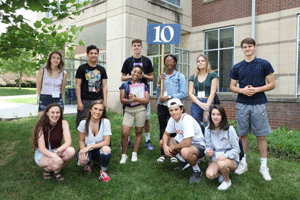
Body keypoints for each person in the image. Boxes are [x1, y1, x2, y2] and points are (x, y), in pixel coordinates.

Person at [229, 38, 275, 181]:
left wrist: (256, 89)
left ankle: (264, 167)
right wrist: (242, 91)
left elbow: (272, 84)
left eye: (250, 46)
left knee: (261, 136)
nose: (247, 49)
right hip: (242, 104)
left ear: (255, 47)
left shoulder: (264, 64)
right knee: (242, 135)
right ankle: (243, 163)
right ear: (242, 49)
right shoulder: (237, 67)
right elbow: (232, 86)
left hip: (258, 104)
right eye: (244, 47)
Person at [159, 98, 206, 184]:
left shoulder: (186, 120)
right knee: (162, 142)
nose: (174, 112)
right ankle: (184, 161)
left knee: (185, 152)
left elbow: (187, 142)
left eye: (176, 109)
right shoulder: (172, 120)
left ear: (181, 109)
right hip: (185, 143)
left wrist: (174, 147)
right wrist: (165, 146)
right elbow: (166, 134)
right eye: (171, 110)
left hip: (198, 145)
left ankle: (197, 170)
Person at [121, 39, 154, 150]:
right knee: (128, 117)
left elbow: (152, 77)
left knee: (146, 118)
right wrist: (133, 75)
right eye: (134, 46)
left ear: (141, 47)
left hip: (142, 92)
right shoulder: (128, 61)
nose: (136, 47)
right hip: (129, 92)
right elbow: (122, 77)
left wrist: (143, 76)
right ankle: (128, 140)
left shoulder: (147, 60)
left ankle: (148, 140)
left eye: (138, 46)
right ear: (132, 47)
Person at [33, 103, 75, 181]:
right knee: (55, 164)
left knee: (71, 151)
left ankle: (53, 170)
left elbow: (68, 142)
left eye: (57, 112)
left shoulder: (63, 123)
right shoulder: (41, 125)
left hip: (57, 149)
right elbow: (42, 148)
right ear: (47, 113)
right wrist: (53, 156)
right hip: (43, 152)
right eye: (52, 112)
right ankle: (51, 169)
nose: (55, 115)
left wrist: (56, 152)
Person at [156, 54, 186, 163]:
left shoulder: (179, 76)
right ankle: (163, 153)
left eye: (171, 61)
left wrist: (169, 97)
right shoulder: (162, 75)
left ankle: (174, 153)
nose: (168, 63)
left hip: (174, 107)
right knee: (163, 129)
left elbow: (183, 93)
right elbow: (157, 92)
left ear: (175, 63)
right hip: (162, 106)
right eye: (166, 61)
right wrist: (159, 82)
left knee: (175, 130)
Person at [119, 65, 150, 164]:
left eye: (138, 73)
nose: (135, 74)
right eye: (134, 71)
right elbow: (122, 100)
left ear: (141, 75)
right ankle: (124, 155)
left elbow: (147, 100)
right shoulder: (125, 85)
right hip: (128, 110)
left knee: (139, 131)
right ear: (131, 72)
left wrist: (137, 99)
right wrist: (130, 100)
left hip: (140, 109)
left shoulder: (144, 86)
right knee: (124, 133)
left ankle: (134, 153)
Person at [205, 105, 240, 190]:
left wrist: (225, 155)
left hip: (230, 159)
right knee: (209, 175)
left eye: (218, 114)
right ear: (210, 116)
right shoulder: (207, 129)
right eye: (213, 114)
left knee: (222, 164)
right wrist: (207, 151)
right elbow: (208, 146)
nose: (215, 117)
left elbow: (237, 149)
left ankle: (227, 181)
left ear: (222, 116)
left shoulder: (229, 129)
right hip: (215, 158)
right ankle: (222, 173)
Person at [77, 100, 112, 182]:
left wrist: (90, 147)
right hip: (87, 149)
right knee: (82, 161)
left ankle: (103, 171)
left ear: (103, 112)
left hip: (99, 149)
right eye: (95, 109)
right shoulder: (83, 123)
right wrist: (83, 150)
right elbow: (81, 140)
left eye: (100, 110)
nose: (97, 112)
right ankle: (89, 164)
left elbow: (107, 142)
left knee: (106, 149)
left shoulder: (105, 122)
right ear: (90, 109)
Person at [75, 45, 108, 129]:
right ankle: (84, 141)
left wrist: (105, 101)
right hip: (85, 101)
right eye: (91, 53)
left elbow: (104, 86)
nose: (93, 55)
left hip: (98, 100)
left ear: (98, 55)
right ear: (87, 55)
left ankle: (100, 141)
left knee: (100, 124)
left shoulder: (102, 69)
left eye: (95, 53)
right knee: (83, 124)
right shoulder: (81, 68)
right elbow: (77, 86)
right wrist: (79, 102)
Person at [188, 54, 218, 133]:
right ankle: (201, 140)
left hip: (208, 101)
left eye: (202, 61)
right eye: (198, 61)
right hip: (196, 102)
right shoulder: (193, 77)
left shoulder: (213, 75)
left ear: (206, 63)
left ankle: (209, 142)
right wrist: (199, 103)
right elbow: (190, 93)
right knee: (196, 123)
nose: (200, 63)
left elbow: (213, 92)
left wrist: (207, 106)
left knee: (208, 123)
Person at [36, 51, 67, 117]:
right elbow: (38, 87)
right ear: (50, 59)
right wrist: (42, 97)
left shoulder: (63, 73)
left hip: (57, 98)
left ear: (60, 60)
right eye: (54, 58)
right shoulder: (42, 71)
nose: (56, 60)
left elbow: (62, 89)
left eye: (58, 58)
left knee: (58, 119)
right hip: (44, 97)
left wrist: (58, 96)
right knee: (43, 120)